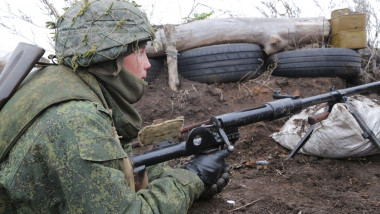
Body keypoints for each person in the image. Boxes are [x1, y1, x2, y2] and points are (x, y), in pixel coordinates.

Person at [0, 0, 230, 213]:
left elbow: (115, 167)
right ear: (111, 57)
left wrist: (179, 177)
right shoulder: (76, 120)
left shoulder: (59, 84)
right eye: (140, 51)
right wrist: (191, 178)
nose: (149, 63)